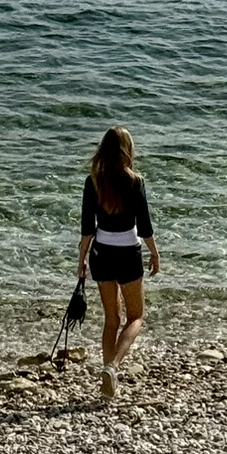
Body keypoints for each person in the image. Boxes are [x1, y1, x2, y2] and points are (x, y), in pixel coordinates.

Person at [77, 125, 160, 400]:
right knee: (136, 317)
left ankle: (106, 377)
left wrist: (81, 261)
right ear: (128, 149)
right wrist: (154, 253)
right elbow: (144, 226)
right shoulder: (135, 181)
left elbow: (87, 227)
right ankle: (112, 368)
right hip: (127, 253)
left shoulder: (94, 181)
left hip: (101, 253)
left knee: (111, 319)